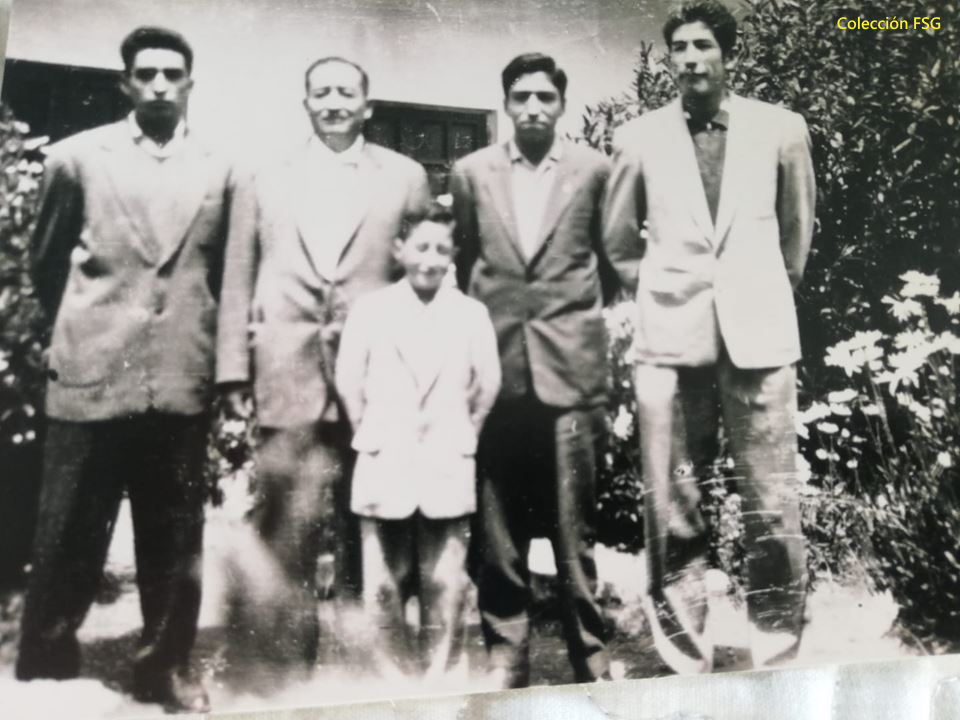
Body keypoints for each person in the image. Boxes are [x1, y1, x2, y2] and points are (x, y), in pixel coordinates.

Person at [15, 26, 237, 712]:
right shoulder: (77, 159)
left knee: (174, 541)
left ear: (191, 84)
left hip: (177, 379)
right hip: (92, 373)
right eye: (146, 74)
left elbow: (225, 276)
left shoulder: (222, 169)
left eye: (173, 74)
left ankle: (164, 668)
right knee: (68, 536)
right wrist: (93, 331)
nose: (160, 85)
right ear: (126, 83)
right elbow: (46, 266)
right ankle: (46, 666)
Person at [603, 0, 816, 673]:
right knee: (676, 498)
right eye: (680, 48)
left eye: (704, 46)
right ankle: (682, 648)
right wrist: (664, 288)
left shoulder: (781, 129)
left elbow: (796, 236)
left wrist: (757, 291)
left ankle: (776, 641)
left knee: (771, 497)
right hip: (673, 340)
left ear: (729, 54)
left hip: (759, 336)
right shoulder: (638, 138)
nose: (691, 58)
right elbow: (617, 242)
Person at [216, 56, 431, 673]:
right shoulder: (262, 178)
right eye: (321, 92)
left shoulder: (406, 177)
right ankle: (285, 671)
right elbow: (236, 275)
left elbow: (427, 280)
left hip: (380, 381)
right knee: (287, 526)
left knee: (378, 526)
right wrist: (233, 371)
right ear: (305, 103)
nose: (334, 102)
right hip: (288, 375)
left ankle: (375, 668)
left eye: (346, 92)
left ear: (368, 106)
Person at [449, 52, 635, 688]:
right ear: (505, 103)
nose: (533, 108)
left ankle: (591, 653)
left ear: (562, 104)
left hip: (570, 370)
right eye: (521, 97)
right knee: (496, 524)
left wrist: (569, 323)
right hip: (497, 370)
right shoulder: (471, 173)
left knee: (573, 524)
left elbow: (609, 262)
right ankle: (507, 654)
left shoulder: (594, 171)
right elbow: (467, 263)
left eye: (544, 98)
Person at [335, 200, 501, 680]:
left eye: (441, 250)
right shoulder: (371, 311)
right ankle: (392, 683)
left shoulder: (470, 314)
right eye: (421, 247)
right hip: (385, 459)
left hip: (447, 461)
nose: (430, 260)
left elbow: (487, 384)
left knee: (445, 583)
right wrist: (372, 433)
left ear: (453, 256)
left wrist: (465, 433)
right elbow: (349, 380)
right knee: (383, 585)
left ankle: (440, 683)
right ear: (399, 249)